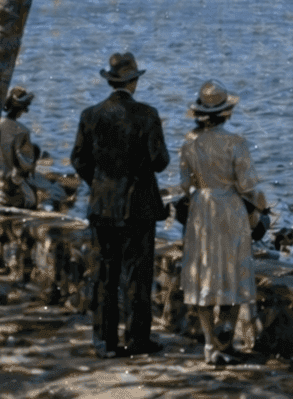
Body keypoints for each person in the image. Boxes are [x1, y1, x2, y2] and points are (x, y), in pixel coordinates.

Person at [71, 51, 170, 359]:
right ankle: (137, 338)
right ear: (134, 82)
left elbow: (79, 159)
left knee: (104, 274)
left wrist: (99, 183)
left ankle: (105, 340)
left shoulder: (90, 115)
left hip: (103, 205)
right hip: (138, 205)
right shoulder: (147, 114)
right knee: (137, 274)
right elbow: (160, 161)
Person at [176, 80, 266, 365]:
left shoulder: (190, 143)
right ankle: (225, 338)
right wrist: (259, 207)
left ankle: (209, 343)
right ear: (227, 113)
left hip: (202, 207)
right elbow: (247, 184)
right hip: (229, 206)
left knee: (204, 270)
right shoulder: (236, 143)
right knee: (232, 267)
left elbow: (184, 184)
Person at [0, 86, 39, 208]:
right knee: (33, 197)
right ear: (23, 108)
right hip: (7, 190)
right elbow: (24, 165)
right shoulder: (22, 131)